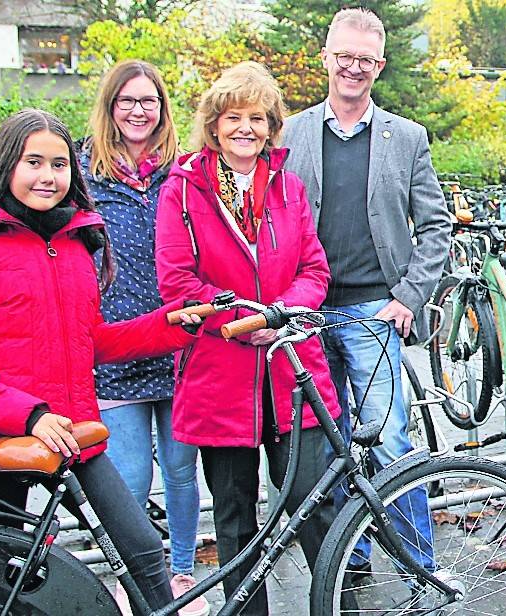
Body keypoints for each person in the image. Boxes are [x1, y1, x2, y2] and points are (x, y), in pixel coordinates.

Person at [0, 108, 202, 614]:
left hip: (73, 431)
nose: (49, 177)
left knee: (142, 550)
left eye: (59, 164)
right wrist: (27, 413)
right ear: (5, 164)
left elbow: (86, 343)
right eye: (35, 162)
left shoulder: (74, 245)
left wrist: (171, 325)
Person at [154, 61, 340, 616]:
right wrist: (238, 317)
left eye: (257, 118)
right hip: (220, 372)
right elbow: (177, 281)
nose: (246, 128)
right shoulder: (182, 192)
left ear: (271, 126)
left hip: (290, 368)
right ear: (213, 125)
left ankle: (337, 605)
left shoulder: (290, 186)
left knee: (315, 505)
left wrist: (279, 315)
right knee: (235, 519)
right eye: (233, 116)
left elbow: (315, 270)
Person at [280, 6, 450, 573]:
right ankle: (345, 558)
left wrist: (408, 296)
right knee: (324, 446)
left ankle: (416, 564)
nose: (352, 68)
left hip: (375, 308)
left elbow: (435, 227)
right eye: (343, 56)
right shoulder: (290, 133)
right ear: (326, 58)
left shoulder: (407, 138)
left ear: (379, 65)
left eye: (364, 59)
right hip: (305, 311)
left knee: (389, 442)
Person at [80, 59, 209, 616]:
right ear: (111, 107)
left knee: (182, 472)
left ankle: (182, 575)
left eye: (148, 101)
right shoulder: (85, 175)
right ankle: (134, 578)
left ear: (162, 109)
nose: (138, 110)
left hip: (177, 342)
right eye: (127, 101)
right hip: (116, 346)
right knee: (128, 478)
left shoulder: (180, 174)